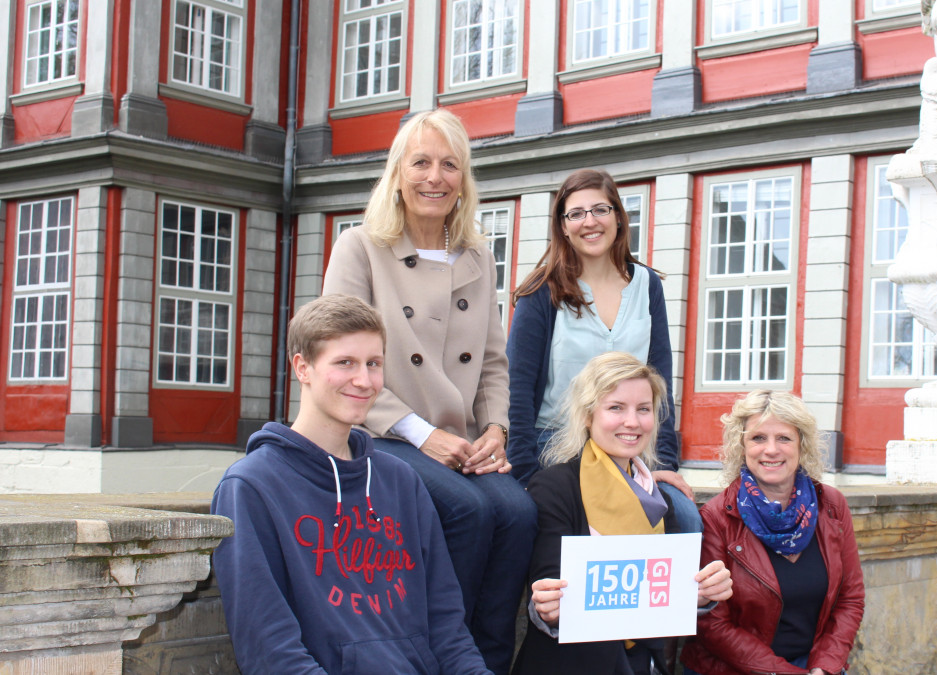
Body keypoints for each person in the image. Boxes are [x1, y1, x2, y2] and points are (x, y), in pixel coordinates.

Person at [322, 108, 536, 674]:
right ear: (397, 173)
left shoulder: (477, 257)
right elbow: (340, 362)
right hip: (382, 429)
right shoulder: (359, 247)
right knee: (466, 510)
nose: (434, 177)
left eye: (449, 165)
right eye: (421, 162)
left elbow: (493, 360)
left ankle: (485, 662)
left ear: (464, 181)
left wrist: (495, 429)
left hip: (460, 439)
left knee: (517, 514)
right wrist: (422, 434)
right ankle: (439, 656)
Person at [211, 294, 490, 674]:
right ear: (302, 367)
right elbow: (270, 651)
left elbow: (448, 631)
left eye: (373, 364)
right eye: (345, 363)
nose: (364, 381)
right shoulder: (251, 487)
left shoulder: (400, 480)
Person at [512, 352, 733, 675]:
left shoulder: (657, 500)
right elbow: (547, 592)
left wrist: (701, 595)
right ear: (588, 415)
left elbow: (664, 596)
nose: (633, 422)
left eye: (643, 409)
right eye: (616, 407)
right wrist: (548, 607)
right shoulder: (554, 486)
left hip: (641, 663)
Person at [506, 168, 701, 533]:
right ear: (563, 226)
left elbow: (659, 382)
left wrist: (665, 464)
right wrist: (525, 472)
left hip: (631, 445)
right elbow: (516, 389)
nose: (589, 222)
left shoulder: (647, 286)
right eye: (576, 213)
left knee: (686, 518)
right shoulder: (541, 292)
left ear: (618, 217)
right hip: (558, 446)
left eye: (600, 209)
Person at [681, 391, 864, 675]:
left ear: (801, 445)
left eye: (784, 438)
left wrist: (824, 667)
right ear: (741, 446)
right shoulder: (717, 517)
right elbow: (712, 623)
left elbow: (850, 599)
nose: (771, 450)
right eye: (758, 438)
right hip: (733, 669)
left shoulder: (832, 505)